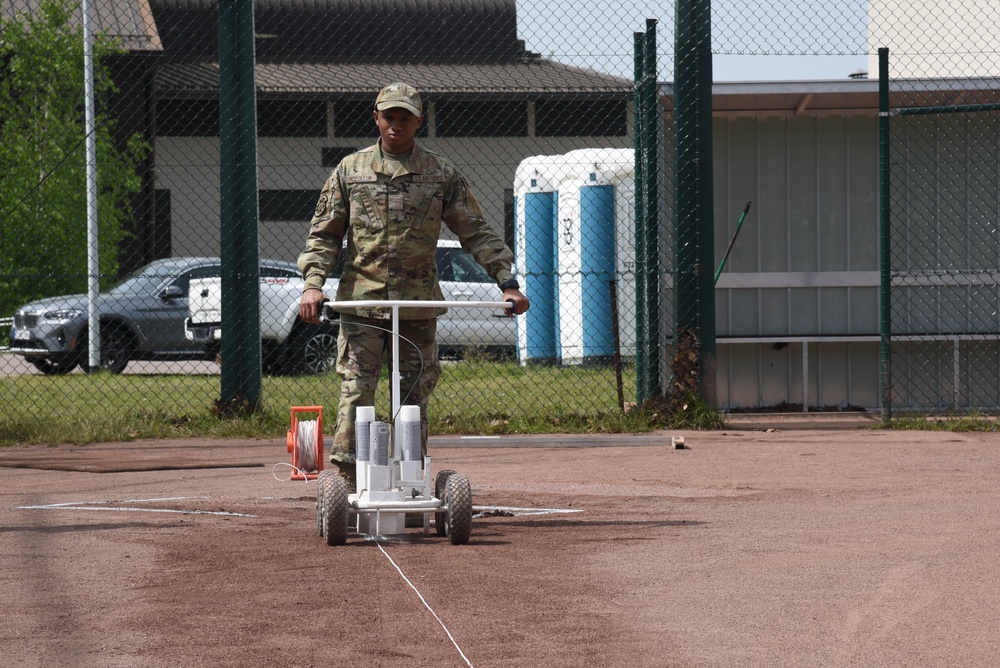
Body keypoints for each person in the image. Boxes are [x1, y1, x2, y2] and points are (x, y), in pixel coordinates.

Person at [297, 82, 529, 487]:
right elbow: (325, 235)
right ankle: (350, 480)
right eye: (389, 117)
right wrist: (313, 284)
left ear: (419, 121)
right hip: (361, 304)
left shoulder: (440, 174)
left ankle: (412, 476)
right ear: (376, 117)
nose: (396, 125)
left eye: (405, 118)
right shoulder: (350, 171)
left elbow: (475, 231)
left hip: (416, 306)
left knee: (413, 396)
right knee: (357, 388)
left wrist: (506, 282)